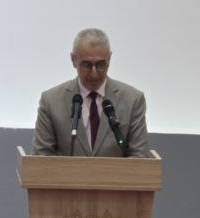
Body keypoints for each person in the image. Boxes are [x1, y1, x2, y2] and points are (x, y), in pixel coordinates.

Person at [32, 28, 150, 157]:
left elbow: (139, 157)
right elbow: (41, 157)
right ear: (73, 60)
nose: (94, 74)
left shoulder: (133, 100)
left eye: (100, 65)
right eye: (86, 65)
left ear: (109, 59)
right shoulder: (51, 101)